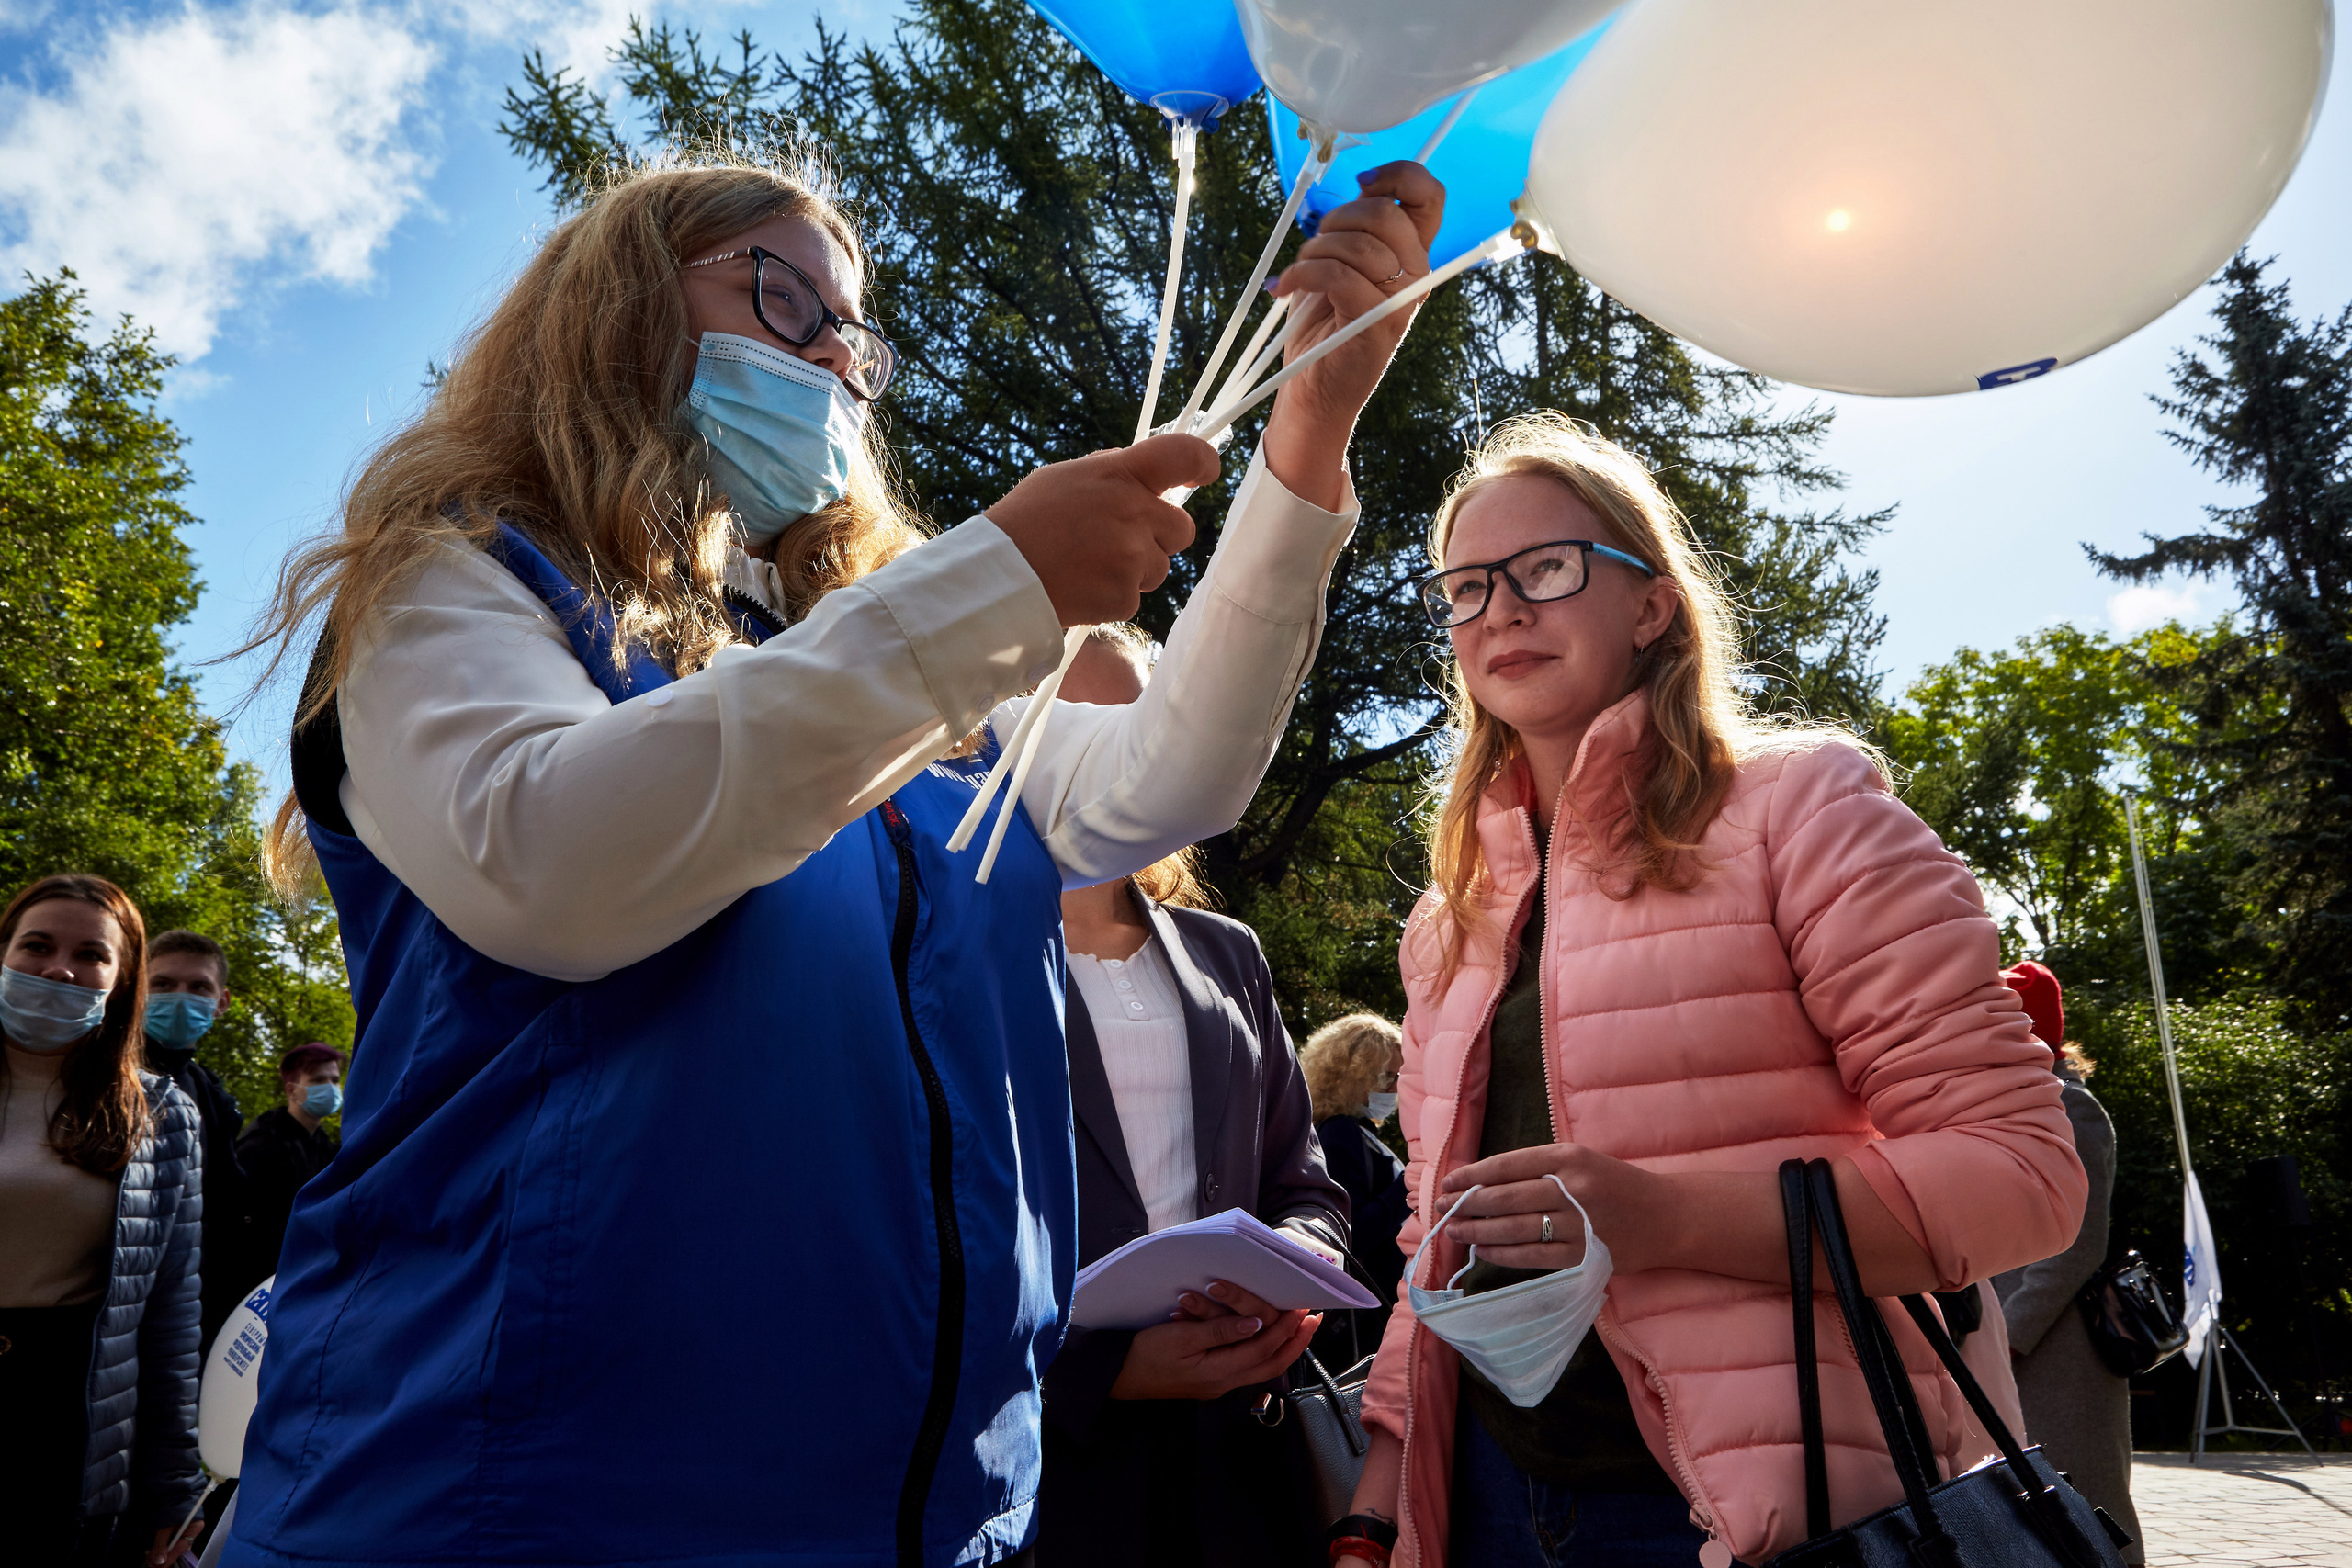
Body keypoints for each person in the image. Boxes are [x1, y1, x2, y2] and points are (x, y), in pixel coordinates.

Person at [223, 146, 1441, 1568]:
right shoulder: (463, 578)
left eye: (851, 332)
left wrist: (1310, 431)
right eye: (782, 297)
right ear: (614, 308)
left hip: (933, 1518)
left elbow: (1172, 773)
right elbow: (549, 861)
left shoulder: (903, 667)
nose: (831, 360)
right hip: (516, 1505)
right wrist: (992, 587)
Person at [1336, 414, 2086, 1568]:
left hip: (1751, 1510)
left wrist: (1666, 1219)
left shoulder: (1802, 810)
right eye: (1468, 587)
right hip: (1485, 1499)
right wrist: (1379, 1499)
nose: (1502, 611)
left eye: (1546, 568)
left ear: (1652, 606)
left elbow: (2020, 1177)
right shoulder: (1451, 915)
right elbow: (1432, 1237)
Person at [1035, 625, 1349, 1568]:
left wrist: (1296, 1270)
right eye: (1080, 722)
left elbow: (1306, 1184)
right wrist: (1097, 1373)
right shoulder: (952, 950)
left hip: (1241, 1467)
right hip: (1054, 1478)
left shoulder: (1228, 952)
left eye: (1146, 723)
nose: (1121, 751)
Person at [0, 874, 205, 1567]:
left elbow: (171, 1316)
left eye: (91, 953)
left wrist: (173, 1488)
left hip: (67, 1432)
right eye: (37, 945)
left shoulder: (164, 1115)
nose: (60, 968)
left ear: (122, 982)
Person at [1995, 960, 2143, 1562]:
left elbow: (2078, 1246)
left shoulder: (2073, 1109)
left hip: (2058, 1349)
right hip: (2010, 1342)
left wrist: (2008, 1337)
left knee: (2087, 1500)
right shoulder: (2009, 1105)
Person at [143, 928, 254, 1348]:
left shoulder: (211, 1094)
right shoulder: (101, 1074)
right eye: (163, 984)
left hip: (191, 1310)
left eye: (198, 987)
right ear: (137, 990)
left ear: (221, 1003)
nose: (180, 998)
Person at [1301, 1012, 1409, 1368]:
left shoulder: (1352, 1131)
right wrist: (1411, 1183)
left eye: (1398, 1077)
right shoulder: (1341, 1133)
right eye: (1386, 1077)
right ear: (1354, 1074)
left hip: (1376, 1308)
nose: (1395, 1088)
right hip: (1367, 1315)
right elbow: (1354, 1231)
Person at [235, 1043, 344, 1280]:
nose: (330, 1088)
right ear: (292, 1091)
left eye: (335, 1080)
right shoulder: (260, 1147)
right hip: (268, 1279)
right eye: (317, 1080)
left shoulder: (327, 1148)